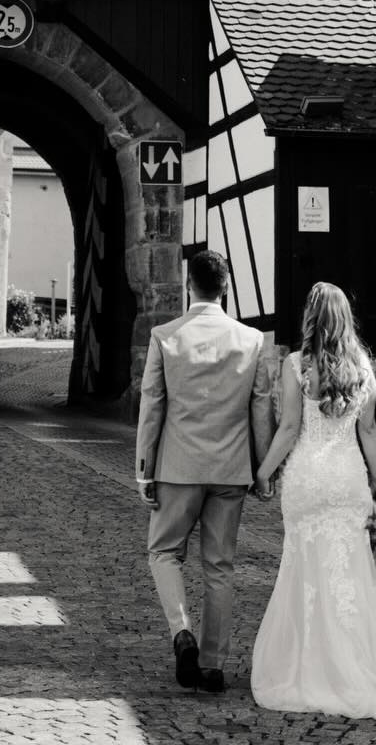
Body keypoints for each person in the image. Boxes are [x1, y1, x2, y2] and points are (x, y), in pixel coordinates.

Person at [250, 281, 376, 718]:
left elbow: (289, 429)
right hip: (346, 480)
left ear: (311, 319)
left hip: (307, 478)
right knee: (351, 574)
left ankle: (310, 665)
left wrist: (263, 473)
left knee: (304, 567)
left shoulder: (298, 365)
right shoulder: (363, 368)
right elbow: (369, 432)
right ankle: (355, 666)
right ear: (345, 320)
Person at [135, 249, 274, 695]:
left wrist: (144, 469)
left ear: (187, 283)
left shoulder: (166, 336)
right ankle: (213, 666)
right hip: (231, 469)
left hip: (177, 467)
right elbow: (260, 410)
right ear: (227, 285)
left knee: (163, 553)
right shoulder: (251, 340)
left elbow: (153, 405)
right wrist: (262, 467)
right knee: (220, 567)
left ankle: (182, 632)